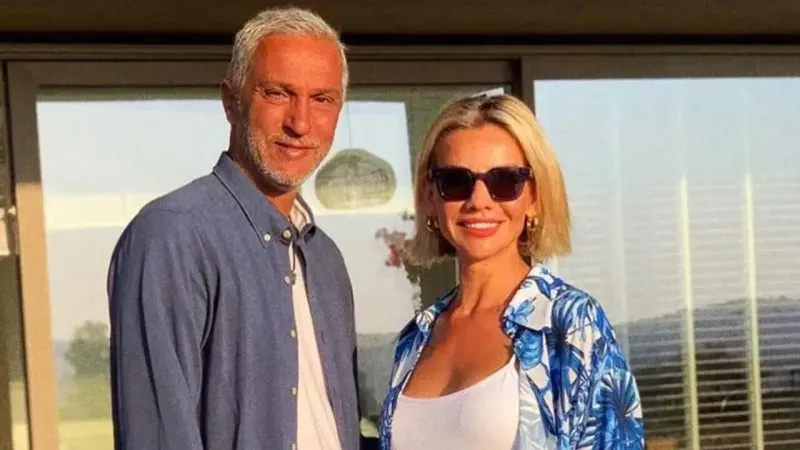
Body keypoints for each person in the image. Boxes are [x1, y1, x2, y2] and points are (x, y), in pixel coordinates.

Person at [107, 6, 362, 450]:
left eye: (322, 99)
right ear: (231, 102)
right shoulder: (172, 236)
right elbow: (157, 436)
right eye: (278, 93)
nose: (300, 123)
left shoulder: (325, 258)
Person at [379, 93, 645, 449]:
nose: (479, 201)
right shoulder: (416, 338)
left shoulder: (569, 324)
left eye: (504, 181)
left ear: (533, 196)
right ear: (431, 195)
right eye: (455, 181)